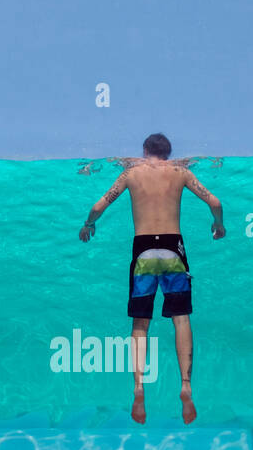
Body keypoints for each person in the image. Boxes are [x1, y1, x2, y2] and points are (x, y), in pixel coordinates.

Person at [79, 133, 225, 424]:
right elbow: (215, 201)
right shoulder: (180, 172)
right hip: (173, 249)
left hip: (144, 250)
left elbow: (98, 206)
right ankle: (185, 385)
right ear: (168, 153)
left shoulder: (131, 173)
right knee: (181, 318)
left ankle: (138, 388)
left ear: (144, 151)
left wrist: (88, 225)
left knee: (141, 325)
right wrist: (218, 224)